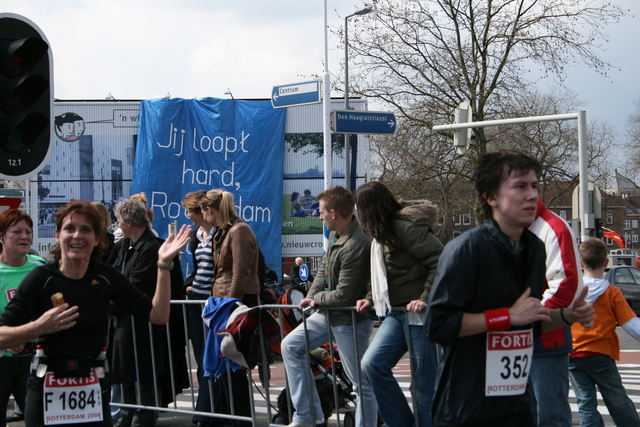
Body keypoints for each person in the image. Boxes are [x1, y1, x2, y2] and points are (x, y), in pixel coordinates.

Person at [425, 150, 594, 427]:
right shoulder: (466, 249)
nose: (532, 195)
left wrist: (567, 316)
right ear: (491, 197)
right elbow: (438, 324)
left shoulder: (535, 248)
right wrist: (505, 316)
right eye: (520, 186)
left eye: (535, 186)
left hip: (516, 403)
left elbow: (528, 322)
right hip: (467, 406)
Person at [0, 200, 190, 427]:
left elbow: (159, 315)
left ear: (97, 238)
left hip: (92, 382)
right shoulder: (41, 279)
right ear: (58, 235)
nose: (77, 235)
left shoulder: (105, 278)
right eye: (70, 229)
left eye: (86, 230)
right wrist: (38, 327)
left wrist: (163, 265)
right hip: (47, 380)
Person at [281, 186, 377, 427]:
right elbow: (324, 271)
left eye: (321, 211)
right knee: (291, 346)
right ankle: (307, 416)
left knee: (361, 382)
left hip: (349, 319)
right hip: (330, 314)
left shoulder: (357, 243)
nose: (319, 215)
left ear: (333, 213)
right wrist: (311, 295)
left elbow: (344, 295)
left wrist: (314, 300)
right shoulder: (338, 234)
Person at [354, 181, 442, 427]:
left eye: (359, 209)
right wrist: (371, 297)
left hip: (418, 314)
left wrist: (425, 297)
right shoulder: (383, 233)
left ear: (369, 210)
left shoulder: (405, 228)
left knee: (424, 385)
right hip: (398, 312)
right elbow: (384, 273)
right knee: (372, 364)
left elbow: (441, 259)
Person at [199, 189, 260, 427]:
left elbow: (241, 272)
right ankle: (229, 418)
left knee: (233, 364)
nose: (204, 217)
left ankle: (240, 420)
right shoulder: (227, 231)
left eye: (204, 211)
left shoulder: (239, 231)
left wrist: (231, 304)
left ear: (210, 210)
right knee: (225, 365)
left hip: (233, 305)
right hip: (225, 304)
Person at [109, 198, 168, 427]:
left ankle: (143, 415)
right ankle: (127, 412)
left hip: (142, 318)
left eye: (119, 221)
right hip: (124, 317)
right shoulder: (124, 246)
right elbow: (113, 277)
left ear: (129, 222)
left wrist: (112, 306)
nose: (117, 226)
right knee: (124, 367)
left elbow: (136, 284)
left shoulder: (151, 247)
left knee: (143, 368)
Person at [570, 237, 640, 427]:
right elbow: (632, 326)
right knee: (618, 401)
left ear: (581, 263)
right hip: (601, 353)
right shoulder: (611, 293)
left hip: (574, 355)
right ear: (606, 263)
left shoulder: (573, 293)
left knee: (585, 404)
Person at [527, 198, 584, 426]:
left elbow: (566, 287)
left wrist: (527, 321)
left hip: (545, 340)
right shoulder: (507, 228)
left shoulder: (553, 228)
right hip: (512, 338)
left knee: (549, 416)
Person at [0, 210, 46, 427]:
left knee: (39, 420)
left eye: (28, 231)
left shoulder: (39, 266)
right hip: (2, 360)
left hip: (32, 360)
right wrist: (8, 340)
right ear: (1, 237)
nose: (25, 236)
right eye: (16, 231)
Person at [182, 190, 216, 427]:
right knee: (201, 360)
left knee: (210, 361)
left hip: (213, 305)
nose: (187, 216)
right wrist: (188, 285)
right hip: (196, 303)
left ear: (202, 211)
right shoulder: (197, 236)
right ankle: (206, 411)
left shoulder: (220, 233)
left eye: (190, 211)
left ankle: (204, 413)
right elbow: (197, 268)